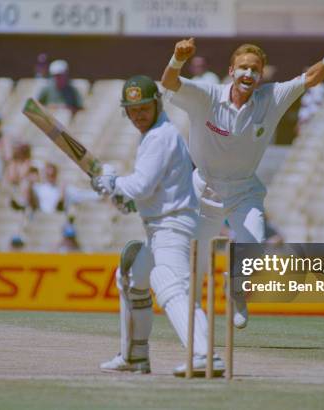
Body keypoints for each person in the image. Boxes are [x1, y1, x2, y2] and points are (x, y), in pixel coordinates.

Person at [161, 31, 324, 329]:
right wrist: (178, 59)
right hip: (203, 188)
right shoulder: (207, 95)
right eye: (243, 67)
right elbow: (170, 83)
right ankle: (193, 318)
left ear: (261, 75)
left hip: (243, 188)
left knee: (254, 243)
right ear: (231, 71)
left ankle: (236, 290)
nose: (248, 73)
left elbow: (311, 78)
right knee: (195, 259)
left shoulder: (271, 97)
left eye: (255, 69)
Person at [92, 75, 222, 377]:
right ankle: (135, 356)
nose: (138, 115)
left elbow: (140, 185)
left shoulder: (160, 135)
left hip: (173, 225)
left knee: (169, 283)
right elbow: (148, 192)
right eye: (132, 110)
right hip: (160, 224)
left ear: (156, 103)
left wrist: (113, 183)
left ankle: (206, 355)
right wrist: (123, 195)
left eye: (143, 108)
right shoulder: (154, 134)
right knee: (131, 277)